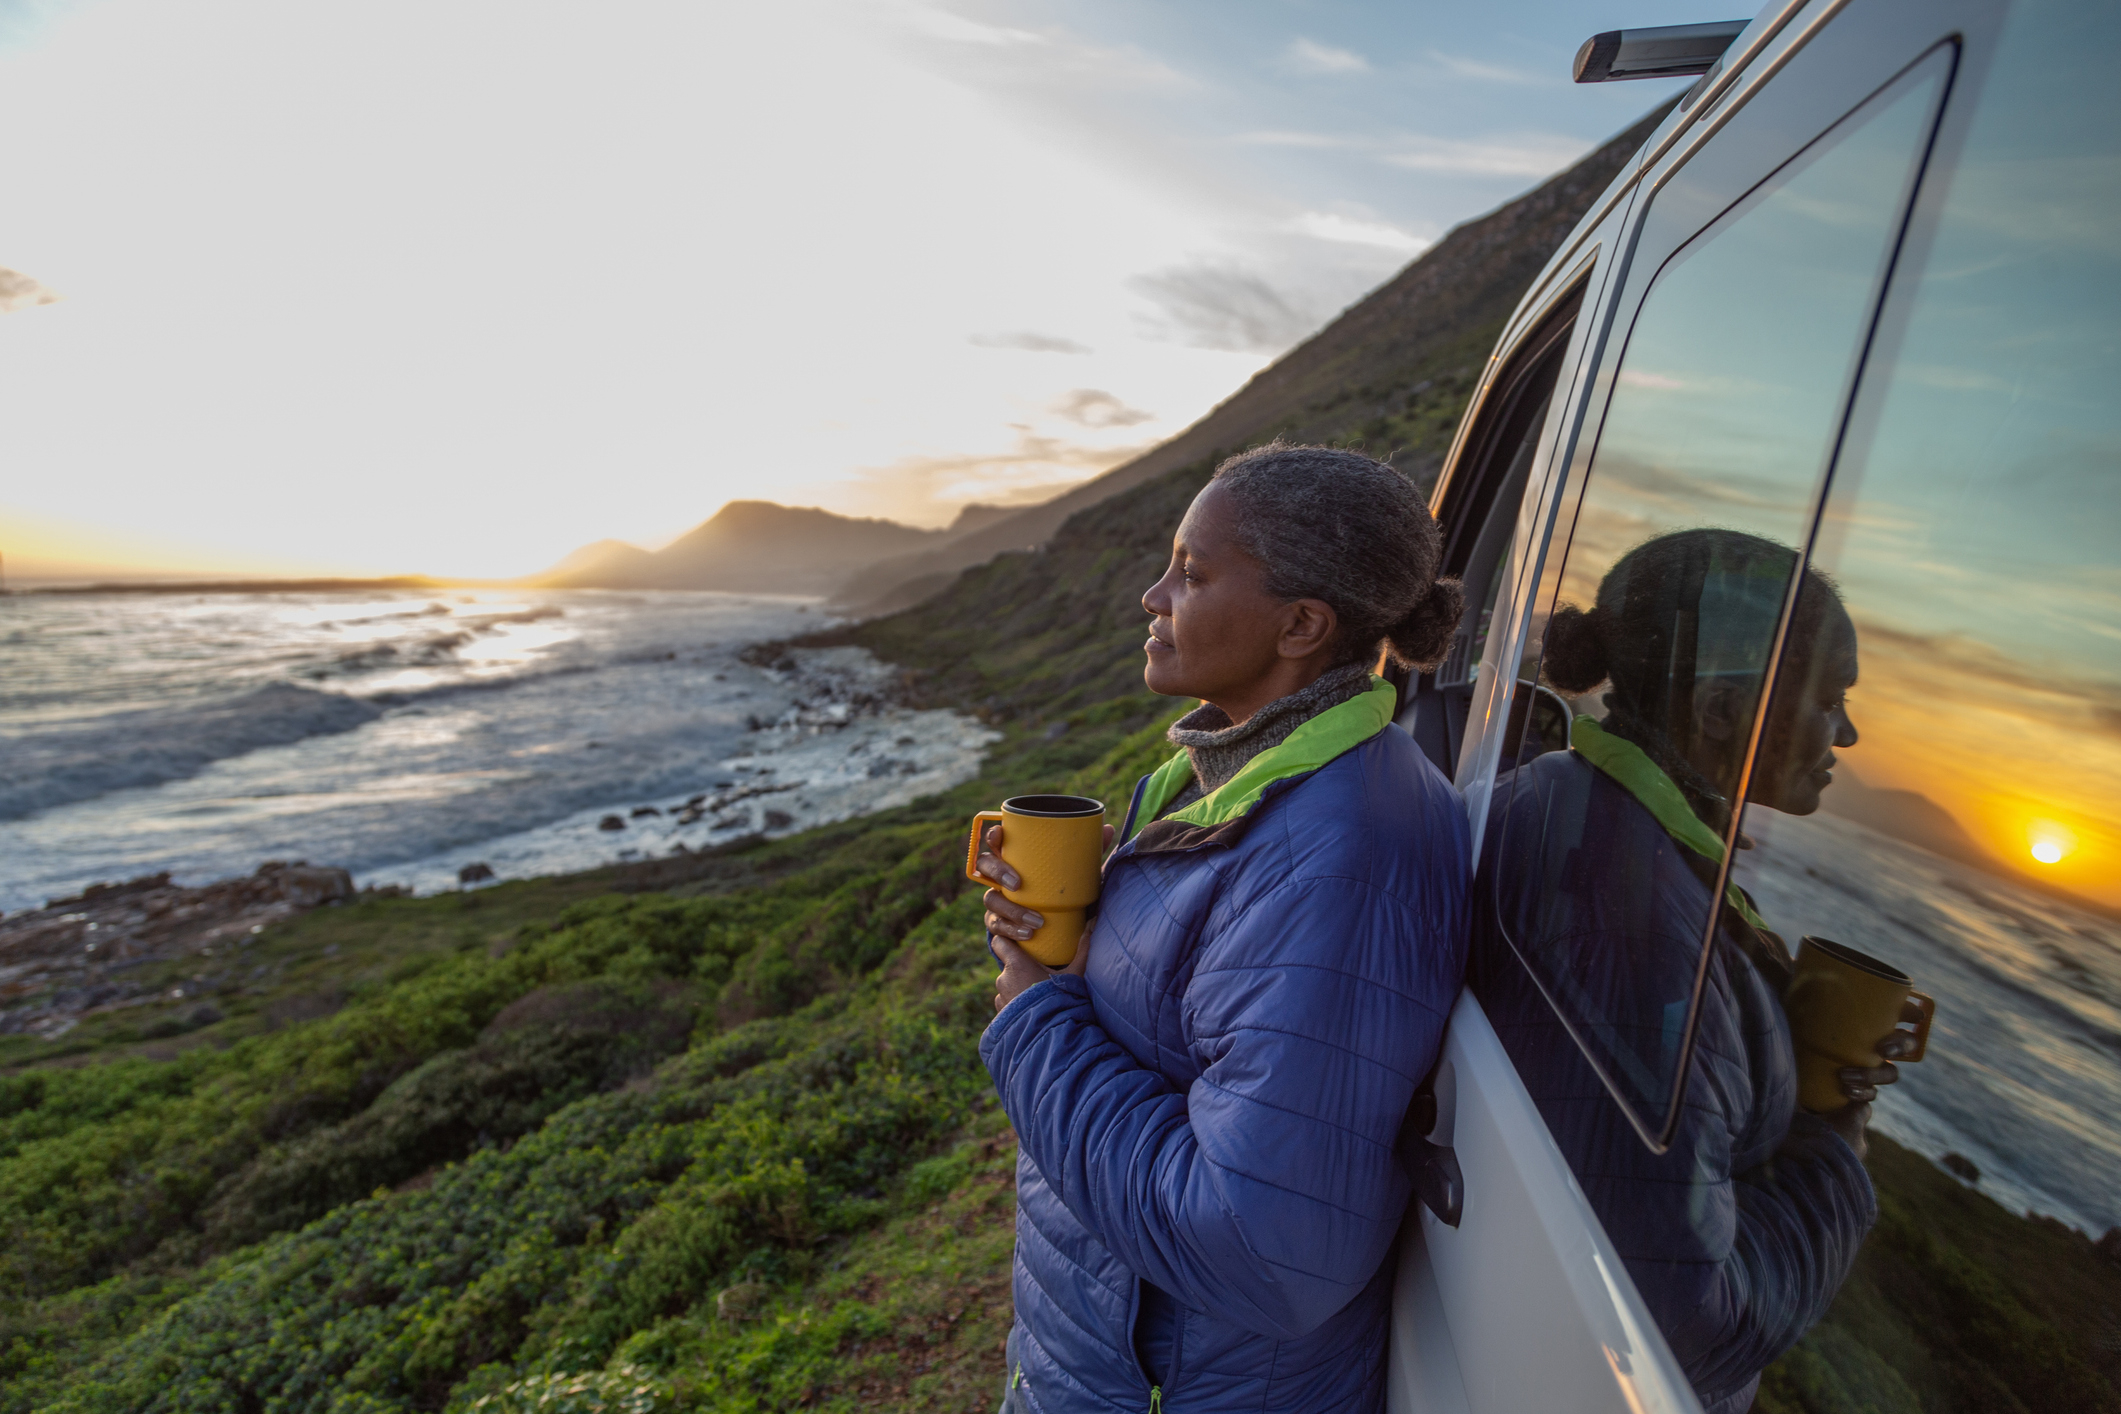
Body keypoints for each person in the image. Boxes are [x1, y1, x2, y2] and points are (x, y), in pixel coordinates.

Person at [972, 443, 1470, 1414]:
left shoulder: (1342, 855)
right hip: (1105, 1363)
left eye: (1192, 574)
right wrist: (1095, 927)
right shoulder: (1222, 781)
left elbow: (1257, 1249)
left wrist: (1036, 1017)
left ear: (1301, 625)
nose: (1153, 597)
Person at [1471, 528, 1919, 1414]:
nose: (1849, 732)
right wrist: (1831, 1154)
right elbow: (1674, 1328)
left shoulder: (1571, 799)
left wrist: (1762, 1034)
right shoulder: (1634, 915)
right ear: (1718, 711)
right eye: (1830, 700)